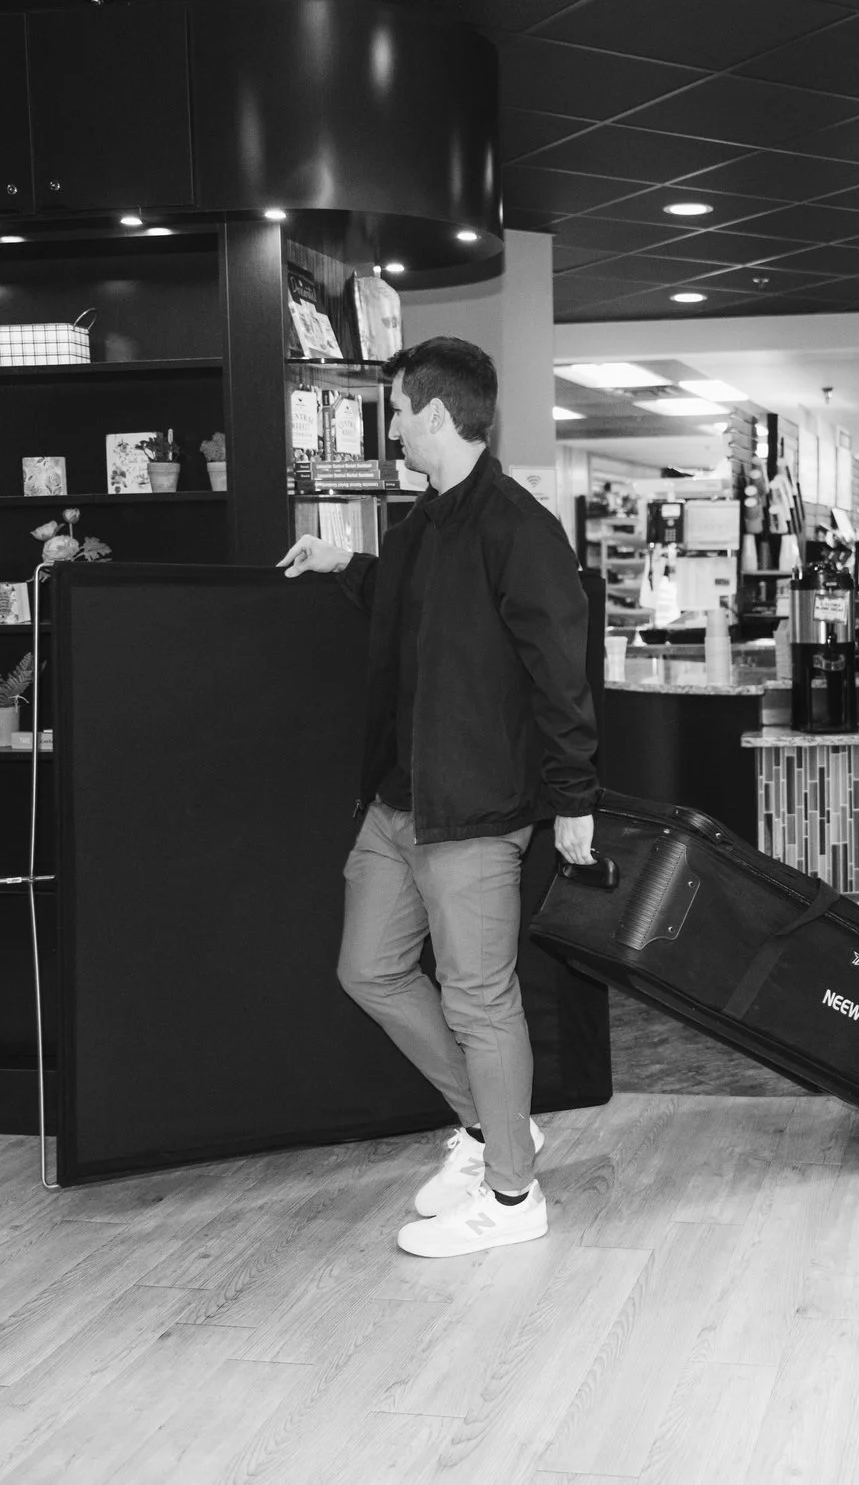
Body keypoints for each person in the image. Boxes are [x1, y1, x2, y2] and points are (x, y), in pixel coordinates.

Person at [279, 336, 598, 1259]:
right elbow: (405, 603)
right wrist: (342, 562)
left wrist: (573, 797)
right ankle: (495, 1127)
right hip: (397, 801)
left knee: (479, 1000)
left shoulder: (519, 527)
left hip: (477, 811)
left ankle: (511, 1197)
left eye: (394, 411)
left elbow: (561, 677)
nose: (389, 428)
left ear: (431, 413)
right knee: (368, 969)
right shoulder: (421, 524)